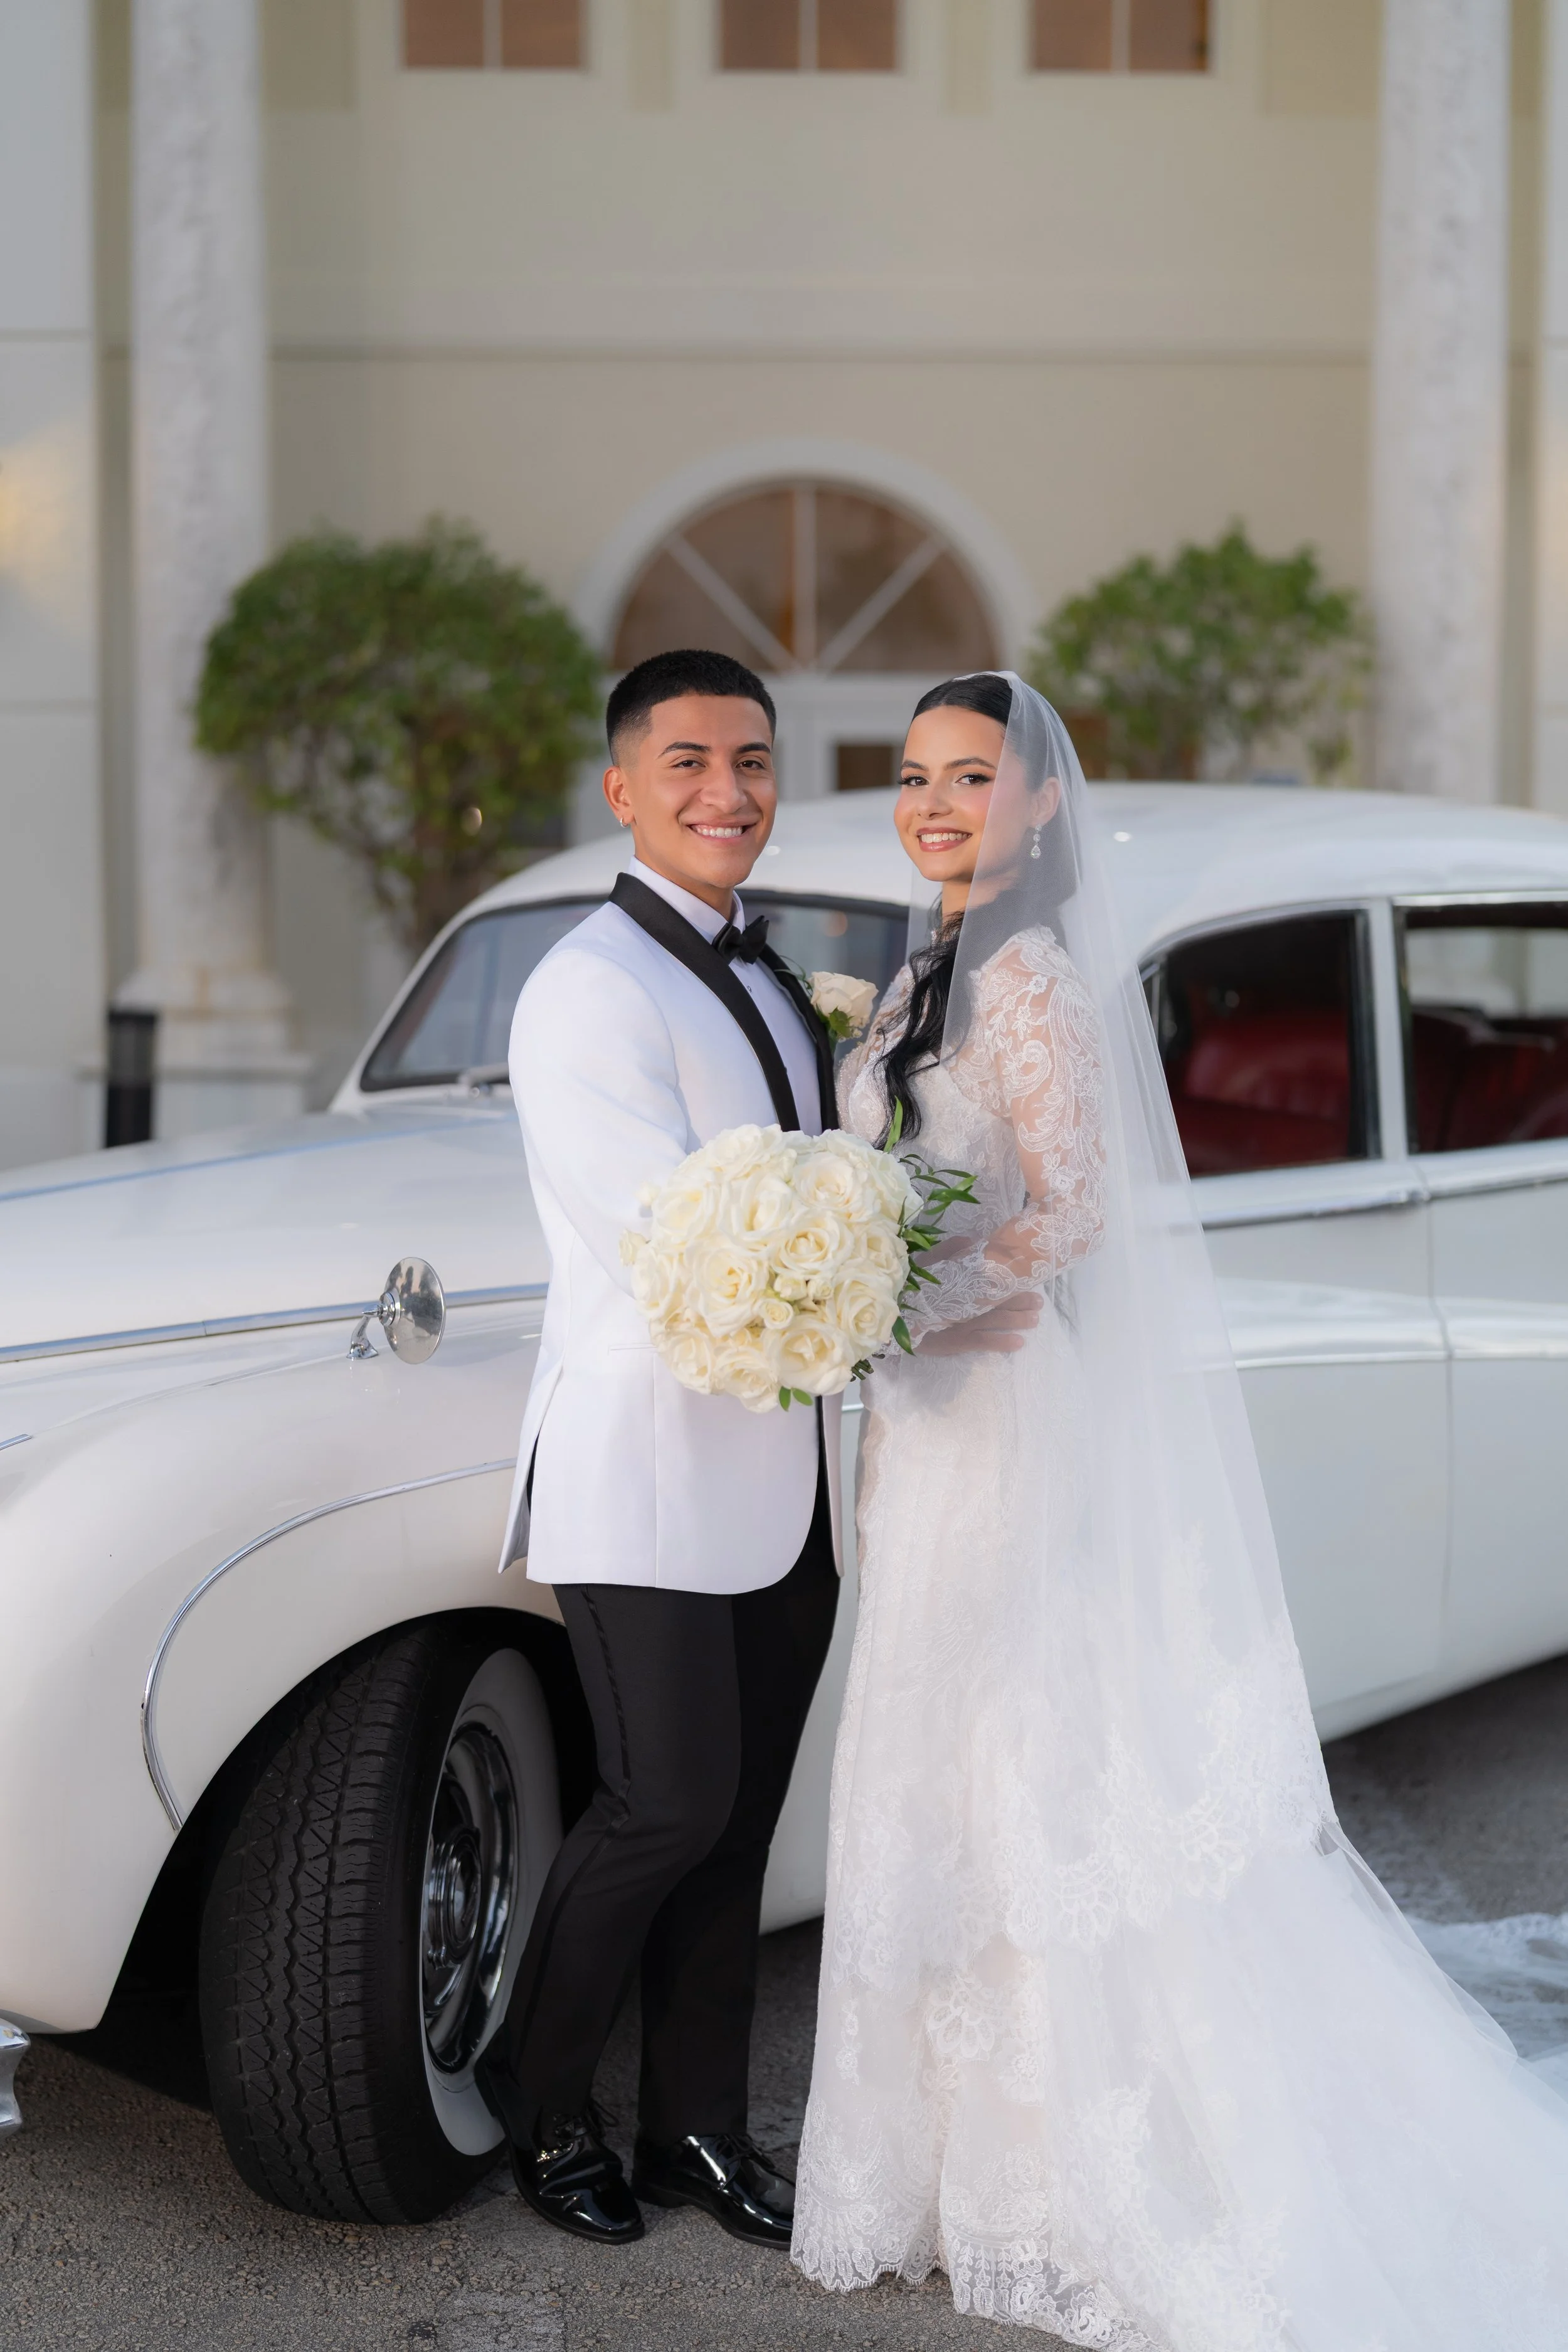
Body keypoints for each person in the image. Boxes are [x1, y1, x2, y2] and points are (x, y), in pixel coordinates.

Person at [792, 671, 1568, 2348]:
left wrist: (903, 1292)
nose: (934, 802)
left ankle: (1062, 2169)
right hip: (919, 1429)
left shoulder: (1038, 983)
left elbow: (1076, 1218)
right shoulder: (918, 971)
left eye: (969, 775)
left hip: (1001, 1415)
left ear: (1039, 803)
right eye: (914, 775)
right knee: (922, 1758)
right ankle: (936, 2168)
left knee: (1022, 1758)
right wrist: (841, 1269)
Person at [479, 648, 841, 2249]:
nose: (727, 793)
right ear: (620, 787)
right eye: (688, 762)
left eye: (753, 761)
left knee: (741, 1825)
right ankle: (539, 2111)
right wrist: (859, 1262)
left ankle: (695, 2128)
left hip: (788, 1481)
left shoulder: (773, 976)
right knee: (661, 1808)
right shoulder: (581, 989)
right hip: (641, 1472)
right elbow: (668, 1240)